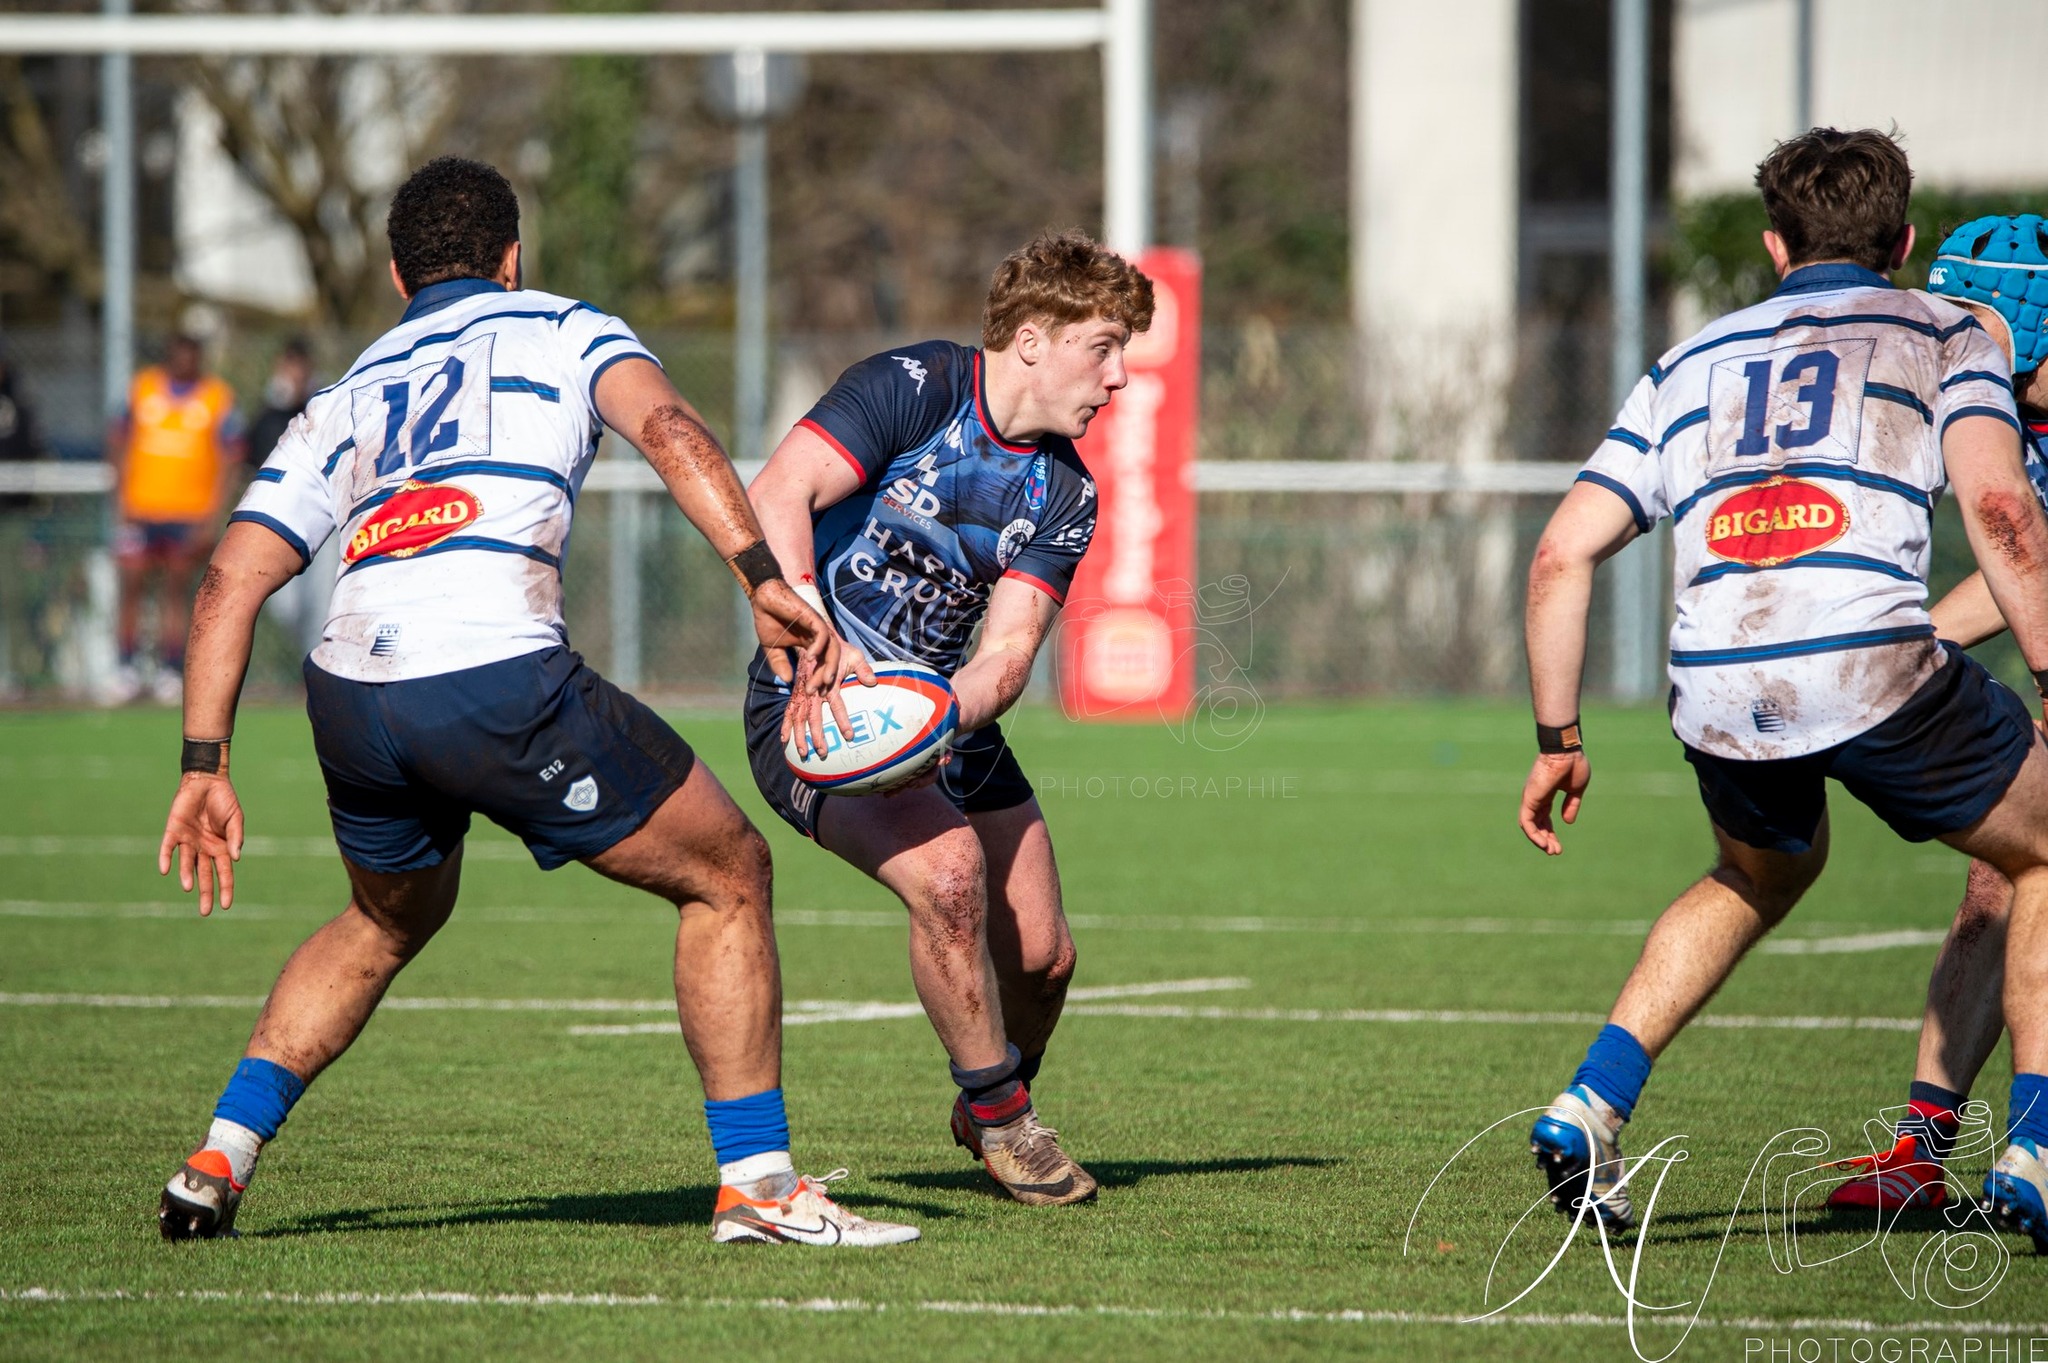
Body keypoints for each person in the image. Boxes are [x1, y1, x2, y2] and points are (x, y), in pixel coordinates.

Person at [155, 156, 915, 1249]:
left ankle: (217, 1158)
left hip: (351, 693)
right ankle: (758, 1187)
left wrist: (203, 764)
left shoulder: (350, 388)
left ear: (397, 275)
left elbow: (229, 578)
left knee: (384, 917)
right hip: (493, 674)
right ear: (512, 258)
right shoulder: (565, 326)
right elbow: (671, 430)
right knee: (727, 873)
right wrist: (760, 575)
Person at [1515, 128, 2048, 1255]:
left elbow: (1560, 553)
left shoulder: (1686, 359)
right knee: (2043, 850)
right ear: (1902, 242)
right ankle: (2035, 1147)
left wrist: (1557, 733)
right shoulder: (1944, 334)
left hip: (1716, 676)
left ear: (1771, 246)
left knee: (1756, 873)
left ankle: (1591, 1103)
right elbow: (2004, 515)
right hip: (1868, 659)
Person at [744, 229, 1151, 1206]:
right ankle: (1005, 1120)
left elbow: (1006, 653)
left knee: (1045, 957)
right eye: (1102, 347)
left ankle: (989, 1096)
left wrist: (937, 718)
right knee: (951, 873)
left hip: (940, 715)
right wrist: (809, 633)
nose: (1119, 377)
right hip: (814, 710)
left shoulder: (1065, 492)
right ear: (1031, 340)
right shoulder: (914, 387)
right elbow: (777, 491)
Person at [1825, 214, 2048, 1223]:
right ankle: (1925, 1153)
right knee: (2002, 872)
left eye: (1967, 317)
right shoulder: (2004, 418)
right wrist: (1894, 648)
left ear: (2025, 319)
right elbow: (2017, 569)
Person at [110, 332, 244, 704]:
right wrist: (120, 494)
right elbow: (117, 438)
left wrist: (214, 513)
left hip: (190, 512)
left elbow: (232, 455)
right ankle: (125, 667)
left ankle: (170, 669)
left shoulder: (216, 397)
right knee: (131, 585)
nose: (184, 361)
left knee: (176, 589)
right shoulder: (142, 388)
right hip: (140, 509)